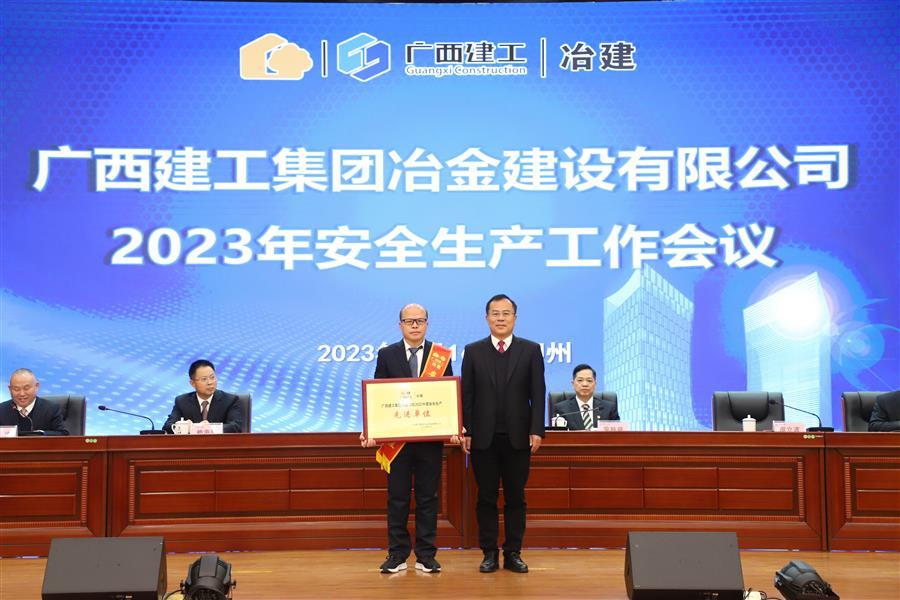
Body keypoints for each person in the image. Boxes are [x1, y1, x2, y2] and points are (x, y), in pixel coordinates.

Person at [360, 304, 452, 574]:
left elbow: (447, 395)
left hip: (429, 440)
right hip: (397, 442)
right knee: (398, 498)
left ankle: (426, 555)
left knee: (428, 498)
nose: (414, 325)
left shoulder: (440, 356)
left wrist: (454, 425)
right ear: (400, 324)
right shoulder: (387, 354)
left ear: (427, 324)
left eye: (419, 321)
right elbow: (378, 396)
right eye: (409, 321)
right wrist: (372, 429)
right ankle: (397, 554)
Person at [461, 294, 545, 574]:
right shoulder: (473, 351)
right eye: (495, 313)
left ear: (515, 318)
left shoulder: (530, 350)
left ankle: (513, 552)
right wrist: (466, 430)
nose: (500, 318)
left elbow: (537, 393)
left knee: (515, 498)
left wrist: (537, 429)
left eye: (506, 313)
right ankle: (489, 553)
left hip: (518, 438)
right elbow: (467, 394)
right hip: (482, 439)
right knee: (485, 498)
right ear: (487, 318)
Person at [163, 360, 243, 433]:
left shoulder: (230, 400)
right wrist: (184, 427)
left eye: (212, 377)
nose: (210, 382)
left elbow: (236, 427)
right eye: (204, 379)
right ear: (192, 383)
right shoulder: (182, 401)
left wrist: (209, 428)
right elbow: (167, 427)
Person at [0, 368, 68, 435]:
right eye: (16, 389)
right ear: (10, 389)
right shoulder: (1, 410)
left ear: (36, 386)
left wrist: (40, 434)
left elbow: (63, 434)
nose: (22, 394)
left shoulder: (51, 409)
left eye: (26, 388)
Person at [552, 364, 619, 430]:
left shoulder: (609, 408)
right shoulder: (561, 409)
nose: (585, 384)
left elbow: (618, 434)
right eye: (580, 380)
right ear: (573, 384)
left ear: (595, 384)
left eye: (589, 380)